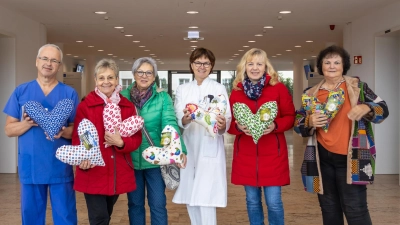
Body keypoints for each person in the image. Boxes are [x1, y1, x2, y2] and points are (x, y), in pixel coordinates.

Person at [294, 45, 389, 225]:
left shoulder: (358, 87)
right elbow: (298, 124)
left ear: (344, 65)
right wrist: (309, 122)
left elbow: (383, 109)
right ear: (320, 66)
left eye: (336, 62)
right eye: (327, 62)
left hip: (353, 157)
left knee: (356, 209)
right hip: (321, 158)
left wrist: (367, 107)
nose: (331, 66)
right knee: (329, 208)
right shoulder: (310, 93)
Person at [3, 44, 78, 224]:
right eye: (44, 58)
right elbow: (9, 130)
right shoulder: (22, 91)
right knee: (31, 216)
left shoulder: (69, 93)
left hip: (60, 166)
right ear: (37, 62)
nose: (48, 63)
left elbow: (77, 131)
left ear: (59, 66)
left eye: (54, 60)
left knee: (65, 215)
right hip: (31, 165)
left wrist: (62, 130)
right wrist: (27, 123)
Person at [227, 48, 295, 225]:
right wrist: (238, 126)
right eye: (251, 64)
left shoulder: (278, 88)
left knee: (274, 203)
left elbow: (290, 117)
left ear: (266, 67)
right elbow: (228, 123)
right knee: (252, 202)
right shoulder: (236, 91)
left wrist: (275, 125)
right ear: (244, 66)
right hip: (246, 157)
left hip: (273, 155)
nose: (255, 68)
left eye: (259, 64)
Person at [72, 58, 142, 225]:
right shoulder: (85, 107)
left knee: (106, 215)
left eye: (110, 77)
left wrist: (121, 142)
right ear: (95, 80)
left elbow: (136, 138)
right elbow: (79, 137)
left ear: (117, 79)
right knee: (99, 218)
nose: (106, 82)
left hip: (118, 171)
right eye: (101, 77)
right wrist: (83, 157)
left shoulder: (127, 106)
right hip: (93, 170)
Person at [120, 57, 187, 225]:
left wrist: (180, 151)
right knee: (135, 205)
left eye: (149, 72)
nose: (144, 76)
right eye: (140, 72)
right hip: (131, 159)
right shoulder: (122, 97)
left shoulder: (163, 98)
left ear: (154, 76)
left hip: (156, 160)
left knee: (158, 204)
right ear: (134, 74)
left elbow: (170, 124)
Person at [172, 47, 232, 225]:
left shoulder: (219, 88)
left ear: (211, 66)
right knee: (190, 193)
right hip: (189, 144)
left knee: (206, 195)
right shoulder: (183, 89)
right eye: (198, 62)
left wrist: (221, 125)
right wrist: (186, 118)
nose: (202, 66)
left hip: (210, 145)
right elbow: (178, 118)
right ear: (192, 65)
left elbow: (226, 117)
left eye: (206, 63)